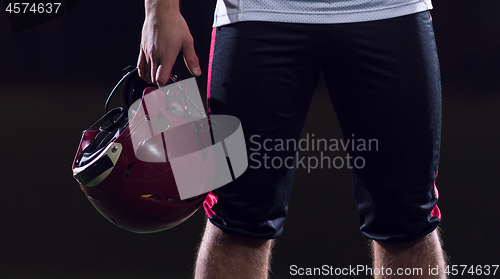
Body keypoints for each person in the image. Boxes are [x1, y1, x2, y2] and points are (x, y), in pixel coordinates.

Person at [137, 0, 448, 278]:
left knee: (409, 220)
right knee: (235, 217)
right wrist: (159, 8)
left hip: (391, 9)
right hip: (256, 11)